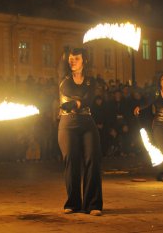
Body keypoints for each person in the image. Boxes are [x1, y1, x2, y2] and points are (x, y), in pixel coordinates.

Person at [57, 47, 103, 216]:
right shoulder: (64, 78)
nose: (72, 61)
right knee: (71, 160)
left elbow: (89, 98)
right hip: (68, 124)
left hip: (87, 122)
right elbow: (71, 91)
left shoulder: (91, 81)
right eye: (70, 58)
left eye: (76, 58)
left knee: (93, 159)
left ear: (84, 60)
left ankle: (93, 204)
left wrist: (76, 104)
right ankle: (73, 203)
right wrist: (80, 100)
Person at [134, 73, 163, 182]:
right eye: (162, 79)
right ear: (160, 82)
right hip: (159, 124)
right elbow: (148, 103)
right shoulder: (156, 94)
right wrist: (139, 107)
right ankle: (162, 173)